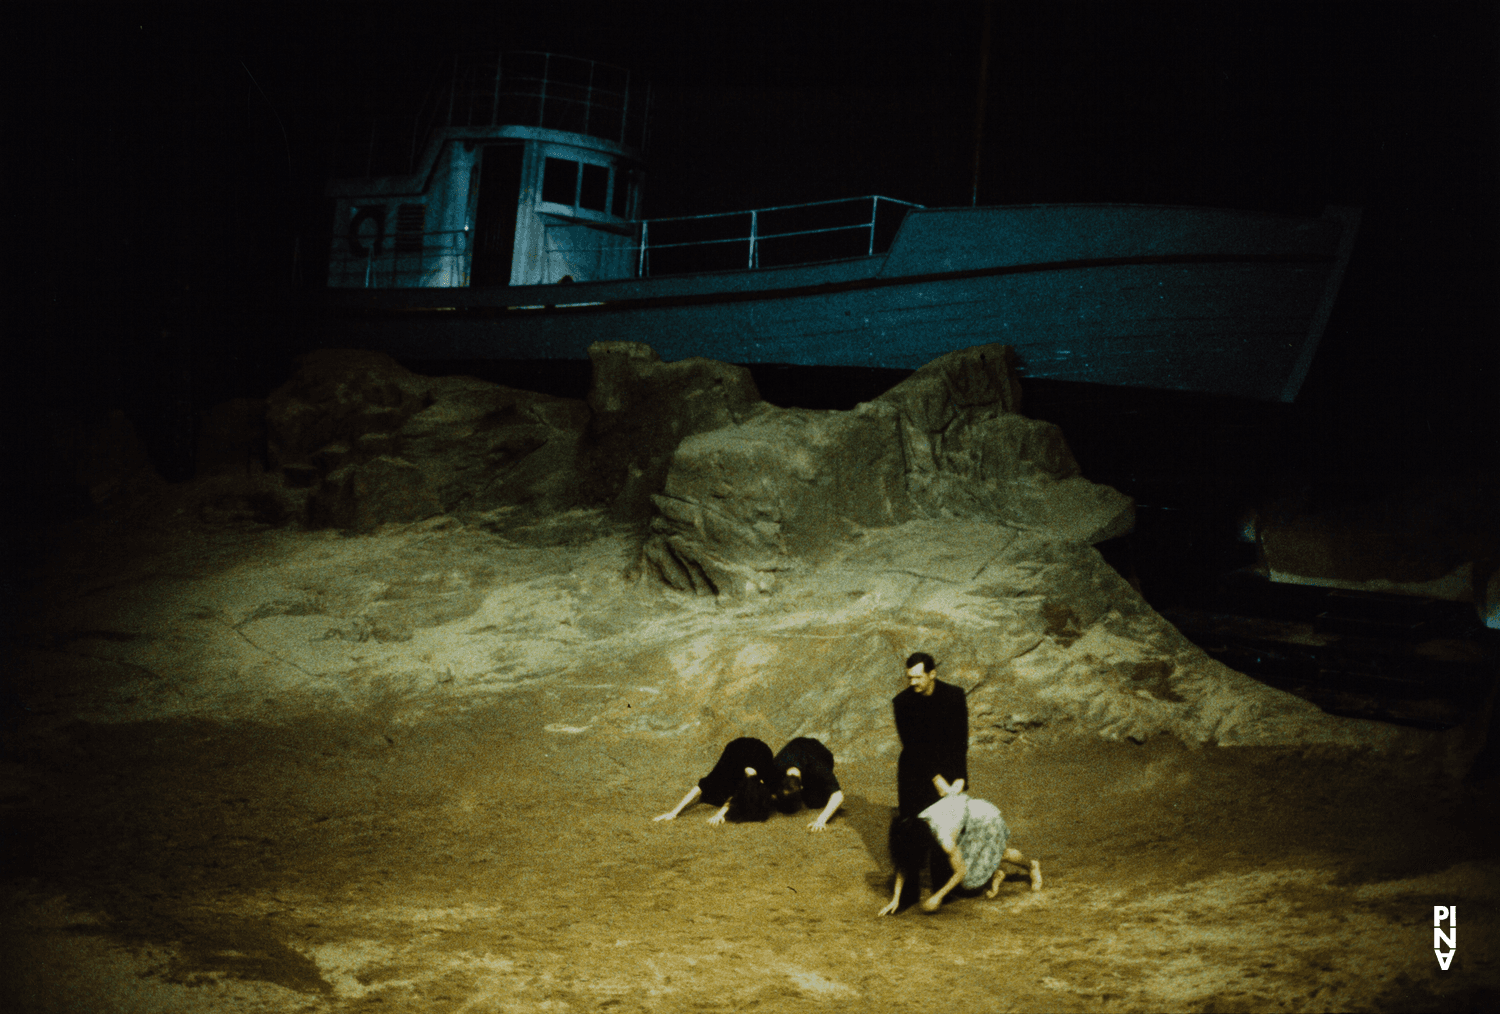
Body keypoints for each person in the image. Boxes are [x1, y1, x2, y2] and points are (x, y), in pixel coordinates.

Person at [877, 777, 1042, 916]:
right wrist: (896, 899)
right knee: (974, 856)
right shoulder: (917, 824)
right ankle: (996, 872)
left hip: (982, 819)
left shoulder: (944, 838)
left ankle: (1031, 865)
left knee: (999, 853)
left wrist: (938, 896)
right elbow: (905, 861)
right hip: (962, 821)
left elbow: (960, 871)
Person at [891, 652, 970, 899]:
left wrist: (960, 777)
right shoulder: (902, 703)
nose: (912, 682)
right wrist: (935, 779)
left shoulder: (955, 696)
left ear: (932, 674)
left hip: (948, 768)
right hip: (913, 773)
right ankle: (909, 893)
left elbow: (960, 740)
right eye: (909, 677)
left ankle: (944, 888)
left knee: (944, 826)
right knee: (912, 827)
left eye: (918, 677)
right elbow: (913, 746)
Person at [653, 737, 775, 825]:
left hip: (762, 753)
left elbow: (737, 795)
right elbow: (701, 787)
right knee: (715, 793)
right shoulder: (729, 764)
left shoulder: (766, 775)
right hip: (737, 747)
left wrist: (720, 814)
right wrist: (674, 812)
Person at [770, 737, 845, 832]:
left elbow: (838, 795)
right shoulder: (777, 766)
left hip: (820, 754)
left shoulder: (818, 767)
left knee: (815, 802)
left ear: (802, 787)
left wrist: (821, 820)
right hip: (796, 747)